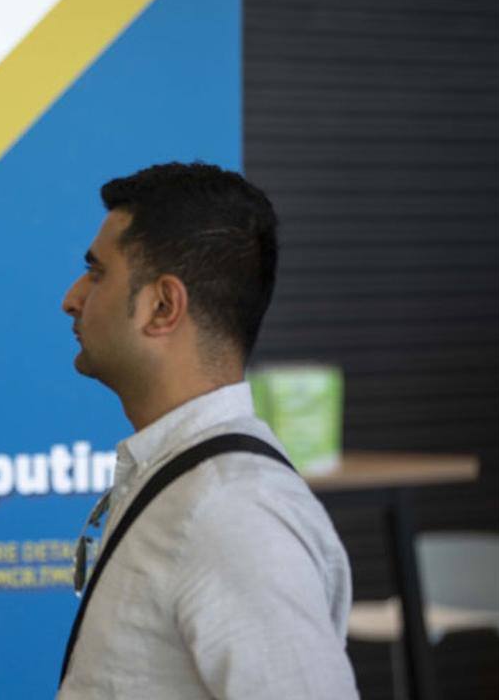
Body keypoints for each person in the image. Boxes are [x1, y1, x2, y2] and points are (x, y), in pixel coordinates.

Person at [56, 163, 358, 699]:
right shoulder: (188, 483)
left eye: (96, 272)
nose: (72, 298)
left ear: (163, 306)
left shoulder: (231, 512)